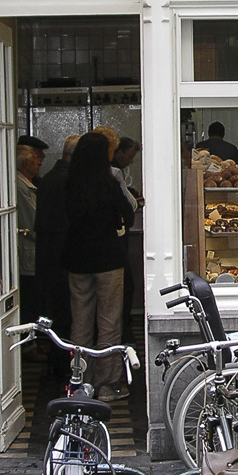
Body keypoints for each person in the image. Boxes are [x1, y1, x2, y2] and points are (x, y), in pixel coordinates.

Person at [61, 130, 135, 402]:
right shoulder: (108, 183)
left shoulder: (70, 184)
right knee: (109, 322)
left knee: (80, 322)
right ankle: (107, 384)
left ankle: (80, 381)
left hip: (77, 260)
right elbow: (128, 214)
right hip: (108, 259)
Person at [35, 134, 79, 381]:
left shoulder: (48, 179)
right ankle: (65, 366)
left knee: (53, 310)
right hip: (64, 255)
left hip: (47, 254)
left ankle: (56, 362)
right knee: (66, 313)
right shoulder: (70, 181)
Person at [111, 136, 144, 336]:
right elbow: (129, 204)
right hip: (115, 241)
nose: (131, 161)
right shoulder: (114, 173)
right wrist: (135, 200)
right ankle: (123, 331)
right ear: (118, 151)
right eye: (129, 156)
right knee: (124, 285)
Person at [16, 143, 42, 343]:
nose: (39, 163)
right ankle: (28, 345)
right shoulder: (21, 187)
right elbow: (33, 221)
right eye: (36, 159)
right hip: (28, 252)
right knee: (29, 299)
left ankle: (31, 344)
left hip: (31, 252)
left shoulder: (28, 184)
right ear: (25, 163)